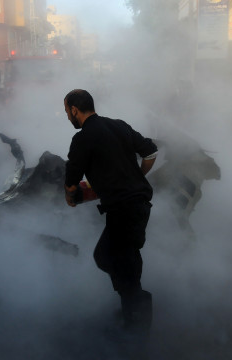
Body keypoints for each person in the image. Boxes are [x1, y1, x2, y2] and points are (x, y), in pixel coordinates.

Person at [62, 89, 158, 333]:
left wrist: (70, 197)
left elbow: (71, 183)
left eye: (66, 111)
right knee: (125, 260)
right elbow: (151, 152)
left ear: (74, 110)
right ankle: (132, 309)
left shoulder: (82, 139)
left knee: (106, 257)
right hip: (139, 204)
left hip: (123, 209)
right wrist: (137, 176)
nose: (67, 117)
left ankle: (137, 311)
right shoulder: (119, 125)